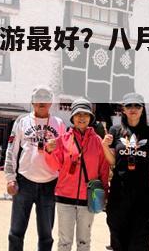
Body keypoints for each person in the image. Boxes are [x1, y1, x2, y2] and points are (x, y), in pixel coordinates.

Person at [5, 85, 66, 251]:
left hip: (50, 184)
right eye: (38, 98)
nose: (42, 102)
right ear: (32, 102)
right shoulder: (22, 121)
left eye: (46, 98)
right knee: (16, 232)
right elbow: (11, 150)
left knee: (46, 235)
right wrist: (10, 178)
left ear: (51, 102)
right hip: (24, 182)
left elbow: (65, 153)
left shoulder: (59, 123)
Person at [44, 98, 109, 251]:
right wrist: (49, 151)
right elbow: (55, 165)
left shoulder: (98, 141)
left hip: (89, 199)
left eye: (85, 114)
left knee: (84, 241)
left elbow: (103, 169)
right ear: (72, 117)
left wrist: (105, 192)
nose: (82, 118)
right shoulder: (62, 140)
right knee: (64, 242)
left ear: (91, 118)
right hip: (64, 198)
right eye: (78, 114)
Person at [104, 92, 149, 251]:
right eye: (129, 105)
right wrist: (104, 146)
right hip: (119, 194)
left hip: (143, 195)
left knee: (140, 243)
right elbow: (112, 162)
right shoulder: (115, 130)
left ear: (143, 109)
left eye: (137, 105)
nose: (133, 109)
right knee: (118, 241)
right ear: (123, 109)